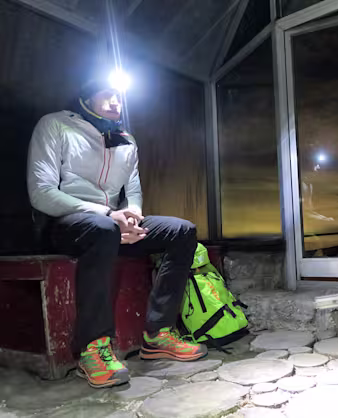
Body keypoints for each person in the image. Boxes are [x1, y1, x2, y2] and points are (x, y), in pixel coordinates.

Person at [27, 78, 207, 389]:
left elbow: (133, 191)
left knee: (182, 231)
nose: (115, 102)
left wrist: (132, 218)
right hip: (67, 222)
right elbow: (41, 193)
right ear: (86, 97)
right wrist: (108, 215)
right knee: (103, 228)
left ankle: (158, 334)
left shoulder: (126, 139)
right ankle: (92, 349)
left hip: (112, 224)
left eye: (119, 96)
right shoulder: (55, 125)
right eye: (106, 94)